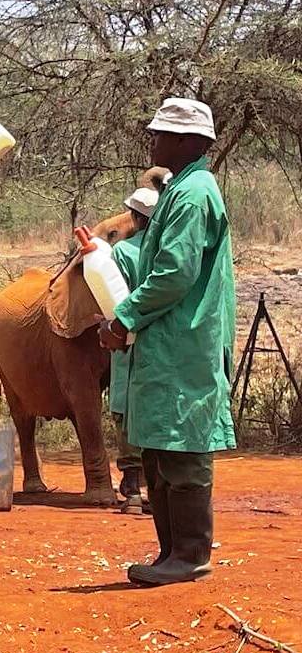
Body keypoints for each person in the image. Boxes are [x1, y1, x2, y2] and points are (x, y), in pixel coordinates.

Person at [98, 97, 236, 586]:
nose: (152, 141)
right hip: (166, 342)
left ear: (188, 141)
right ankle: (171, 554)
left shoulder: (194, 193)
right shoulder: (181, 189)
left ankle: (191, 555)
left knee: (183, 449)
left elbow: (175, 273)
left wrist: (124, 317)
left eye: (161, 134)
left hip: (185, 343)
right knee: (159, 448)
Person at [109, 186, 160, 515]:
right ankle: (158, 488)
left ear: (134, 218)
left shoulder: (122, 252)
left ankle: (131, 487)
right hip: (162, 339)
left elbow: (112, 297)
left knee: (126, 404)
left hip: (127, 336)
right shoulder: (168, 251)